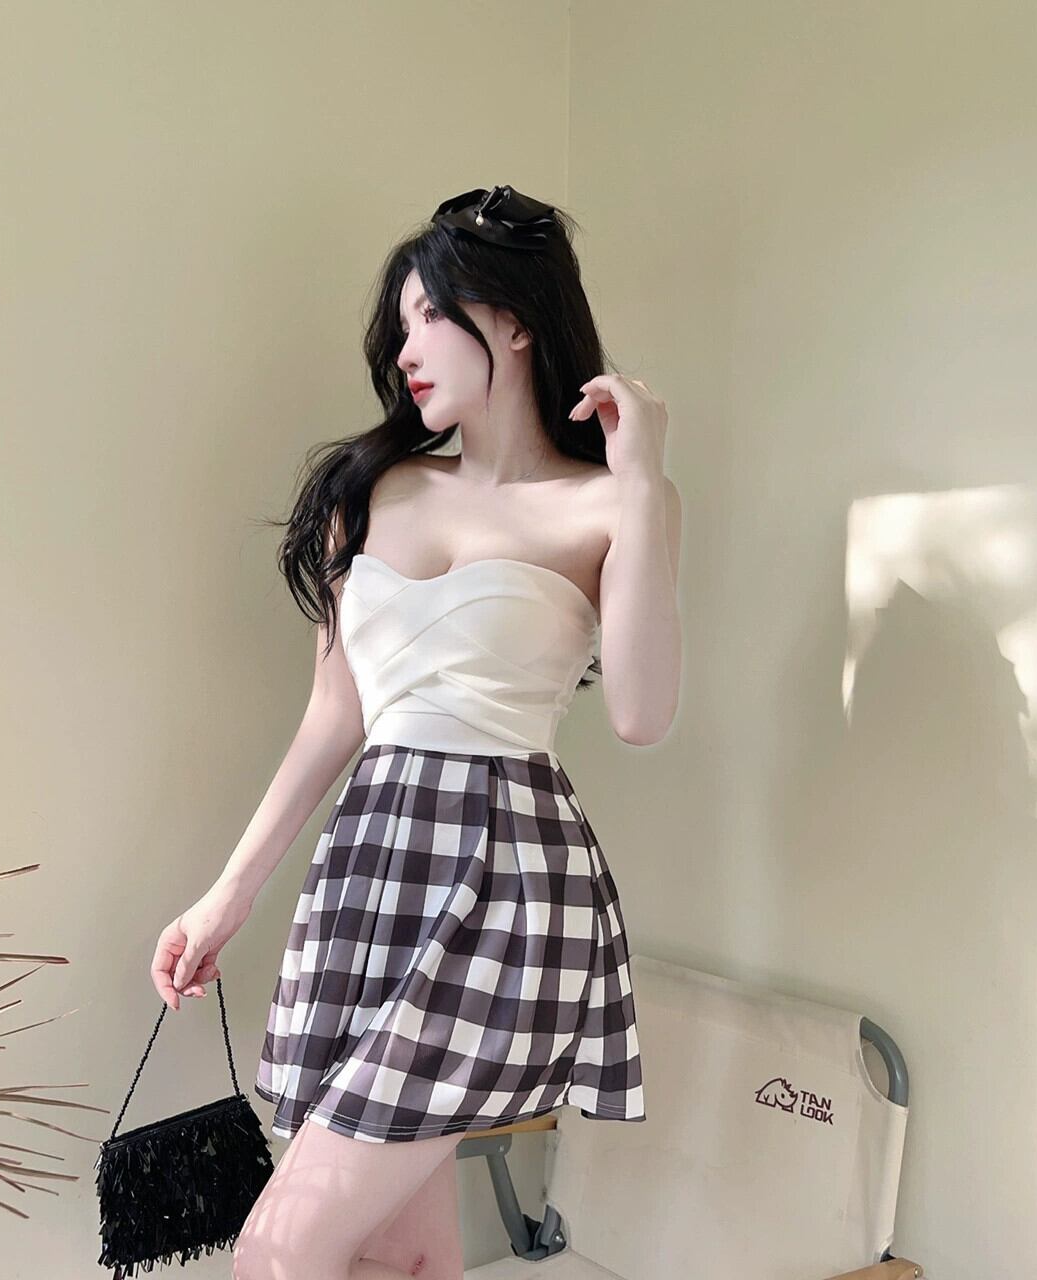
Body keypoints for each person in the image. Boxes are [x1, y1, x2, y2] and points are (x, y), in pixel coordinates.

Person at [150, 184, 682, 1280]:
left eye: (428, 317)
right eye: (399, 328)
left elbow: (639, 714)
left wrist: (641, 485)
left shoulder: (607, 504)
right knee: (399, 1253)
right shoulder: (368, 487)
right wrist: (226, 895)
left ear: (513, 320)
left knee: (278, 1252)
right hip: (372, 869)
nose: (405, 353)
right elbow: (334, 715)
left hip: (507, 883)